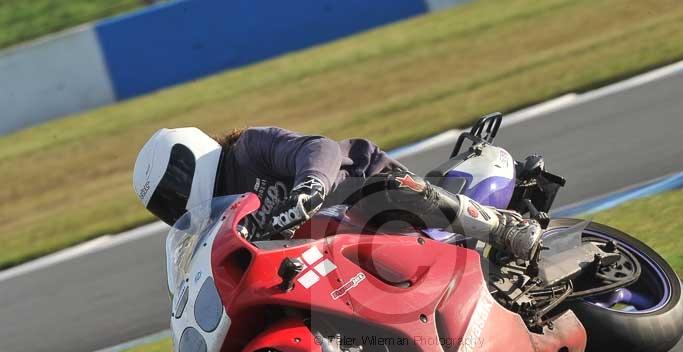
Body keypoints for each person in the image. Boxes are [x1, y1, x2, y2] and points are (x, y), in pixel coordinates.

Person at [132, 126, 540, 259]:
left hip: (363, 190)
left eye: (171, 190)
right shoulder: (215, 225)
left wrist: (309, 186)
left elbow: (319, 148)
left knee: (382, 194)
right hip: (338, 255)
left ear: (187, 161)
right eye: (163, 204)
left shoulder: (247, 148)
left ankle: (501, 227)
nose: (173, 203)